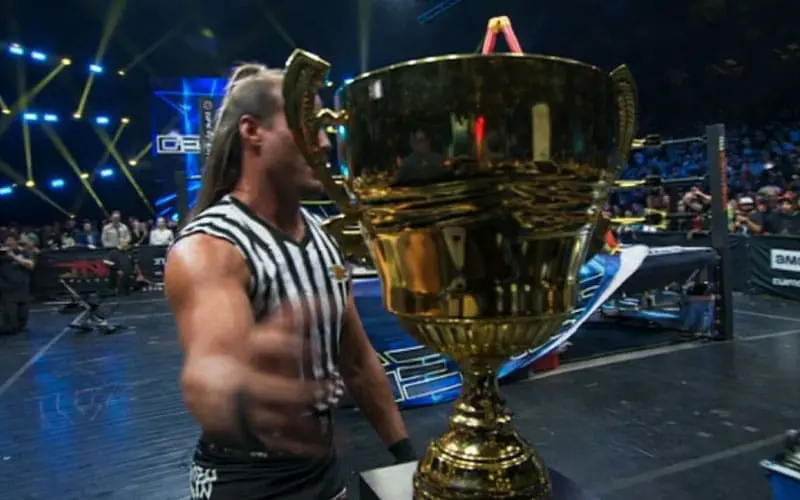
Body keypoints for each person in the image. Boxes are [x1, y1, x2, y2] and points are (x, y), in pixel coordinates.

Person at [165, 63, 414, 500]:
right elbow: (213, 378)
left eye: (323, 129)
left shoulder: (322, 237)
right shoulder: (211, 247)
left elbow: (357, 361)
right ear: (252, 131)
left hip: (323, 472)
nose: (324, 143)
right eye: (306, 126)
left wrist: (404, 453)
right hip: (245, 483)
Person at [0, 235, 36, 335]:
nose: (9, 244)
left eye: (11, 241)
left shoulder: (23, 253)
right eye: (7, 242)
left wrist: (15, 257)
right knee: (11, 322)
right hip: (8, 291)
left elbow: (31, 265)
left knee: (23, 317)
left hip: (22, 289)